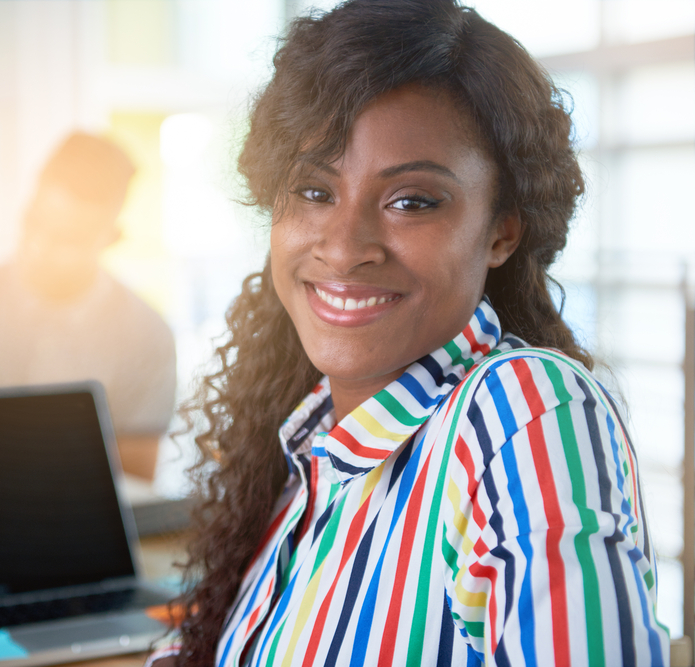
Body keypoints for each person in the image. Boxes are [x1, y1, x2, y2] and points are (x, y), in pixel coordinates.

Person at [148, 1, 671, 665]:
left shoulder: (520, 410)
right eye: (314, 191)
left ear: (503, 231)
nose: (344, 249)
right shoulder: (307, 453)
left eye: (412, 201)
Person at [0, 132, 177, 481]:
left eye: (67, 238)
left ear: (110, 238)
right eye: (34, 223)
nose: (38, 247)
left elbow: (135, 474)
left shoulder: (147, 335)